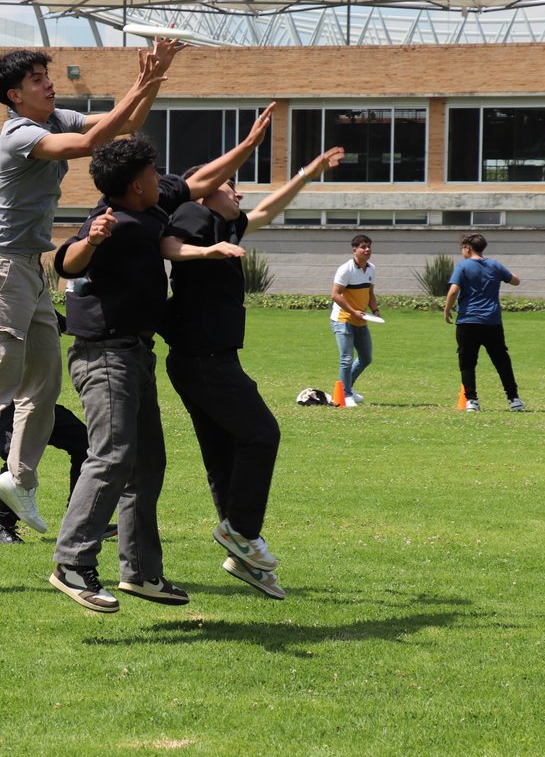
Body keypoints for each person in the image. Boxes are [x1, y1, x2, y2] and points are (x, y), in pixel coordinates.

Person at [0, 41, 185, 551]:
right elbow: (91, 143)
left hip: (30, 269)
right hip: (0, 270)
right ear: (15, 95)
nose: (48, 83)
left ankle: (19, 480)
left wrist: (154, 77)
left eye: (45, 75)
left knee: (43, 382)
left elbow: (122, 126)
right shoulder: (21, 134)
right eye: (36, 79)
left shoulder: (55, 119)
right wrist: (143, 79)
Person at [48, 107, 274, 613]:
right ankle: (72, 562)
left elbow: (201, 182)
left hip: (136, 354)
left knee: (147, 464)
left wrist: (249, 145)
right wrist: (92, 240)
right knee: (112, 456)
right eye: (153, 174)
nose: (162, 179)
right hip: (104, 355)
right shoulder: (112, 221)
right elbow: (66, 261)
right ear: (135, 185)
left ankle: (141, 572)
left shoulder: (152, 203)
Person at [160, 146, 345, 600]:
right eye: (229, 185)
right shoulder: (193, 213)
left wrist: (308, 173)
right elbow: (167, 246)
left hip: (208, 359)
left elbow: (266, 210)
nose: (238, 193)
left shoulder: (223, 222)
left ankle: (243, 553)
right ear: (205, 190)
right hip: (203, 359)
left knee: (225, 455)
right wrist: (208, 252)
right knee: (262, 434)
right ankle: (241, 532)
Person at [0, 316, 116, 544]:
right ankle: (2, 526)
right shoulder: (0, 316)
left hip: (39, 405)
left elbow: (78, 327)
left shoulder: (43, 312)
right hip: (5, 406)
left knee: (85, 444)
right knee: (14, 452)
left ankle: (82, 521)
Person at [443, 233, 526, 412]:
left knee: (467, 362)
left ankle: (472, 401)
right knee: (501, 361)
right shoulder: (495, 265)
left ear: (468, 248)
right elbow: (516, 281)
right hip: (492, 322)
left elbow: (453, 291)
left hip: (468, 321)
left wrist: (447, 310)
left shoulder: (463, 266)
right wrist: (501, 273)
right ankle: (514, 399)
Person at [330, 234, 379, 406]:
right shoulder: (346, 269)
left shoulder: (371, 269)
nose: (367, 250)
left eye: (369, 246)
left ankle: (347, 387)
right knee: (347, 358)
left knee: (366, 358)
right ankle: (346, 394)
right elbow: (335, 295)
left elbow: (370, 293)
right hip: (343, 319)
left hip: (361, 319)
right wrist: (352, 311)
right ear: (354, 250)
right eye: (363, 247)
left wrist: (375, 310)